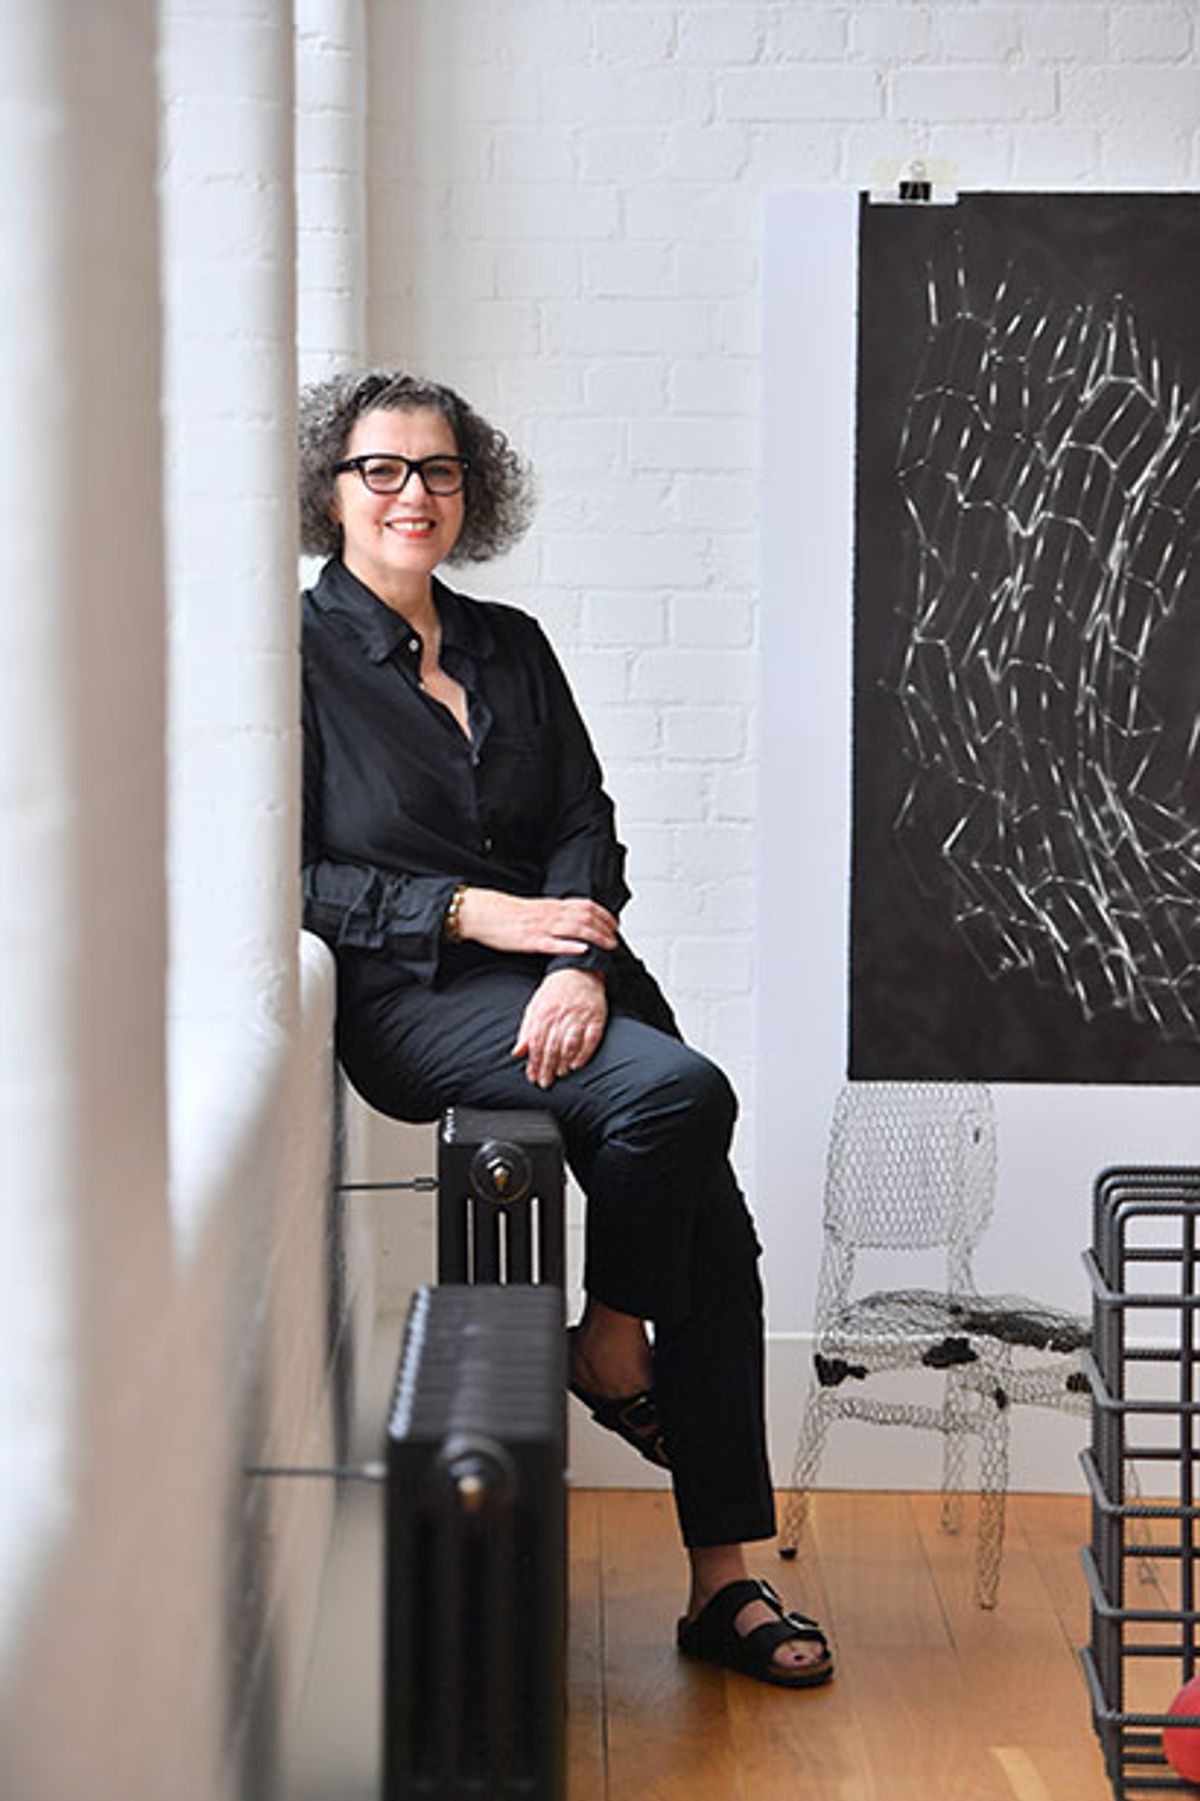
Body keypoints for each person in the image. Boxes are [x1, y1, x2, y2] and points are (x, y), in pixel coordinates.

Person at [298, 368, 833, 1689]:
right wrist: (481, 915)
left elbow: (586, 819)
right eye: (384, 469)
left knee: (719, 1230)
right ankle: (606, 1337)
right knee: (679, 1096)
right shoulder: (290, 664)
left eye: (438, 470)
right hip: (415, 995)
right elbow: (295, 878)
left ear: (469, 491)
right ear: (332, 491)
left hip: (571, 975)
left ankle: (724, 1581)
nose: (413, 493)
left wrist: (581, 952)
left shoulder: (511, 644)